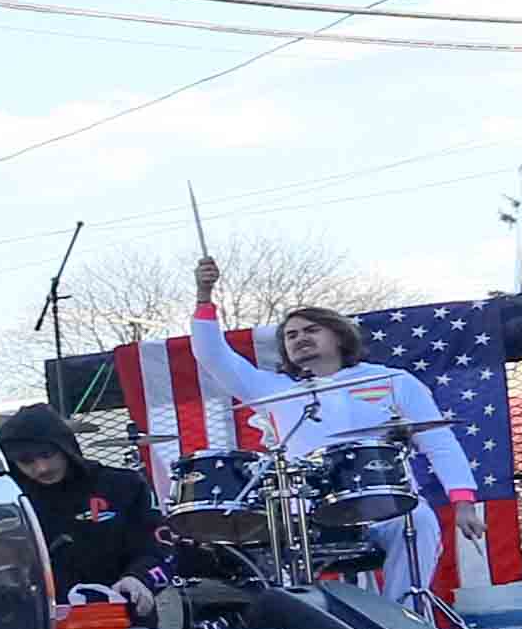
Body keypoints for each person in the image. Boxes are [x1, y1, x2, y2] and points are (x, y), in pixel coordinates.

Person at [181, 258, 480, 607]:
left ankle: (404, 619)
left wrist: (463, 502)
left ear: (338, 336)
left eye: (310, 330)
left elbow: (438, 441)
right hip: (303, 511)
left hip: (382, 501)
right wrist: (204, 296)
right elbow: (214, 357)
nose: (300, 339)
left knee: (419, 520)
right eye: (291, 335)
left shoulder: (391, 380)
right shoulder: (272, 389)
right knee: (274, 538)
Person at [0, 403, 152, 591]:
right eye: (26, 461)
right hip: (47, 614)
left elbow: (157, 550)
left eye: (47, 454)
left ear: (65, 446)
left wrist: (139, 579)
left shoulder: (123, 485)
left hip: (119, 609)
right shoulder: (12, 503)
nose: (42, 468)